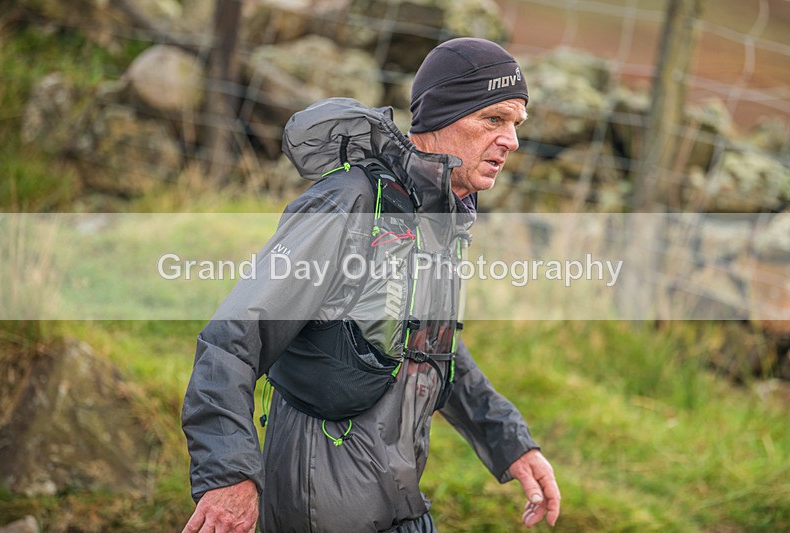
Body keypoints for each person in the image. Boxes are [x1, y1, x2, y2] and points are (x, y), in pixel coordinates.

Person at [181, 37, 560, 533]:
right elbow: (231, 340)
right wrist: (229, 475)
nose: (510, 141)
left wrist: (510, 441)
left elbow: (428, 345)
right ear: (441, 118)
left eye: (515, 125)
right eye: (493, 120)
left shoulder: (438, 217)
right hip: (320, 511)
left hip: (397, 501)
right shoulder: (350, 204)